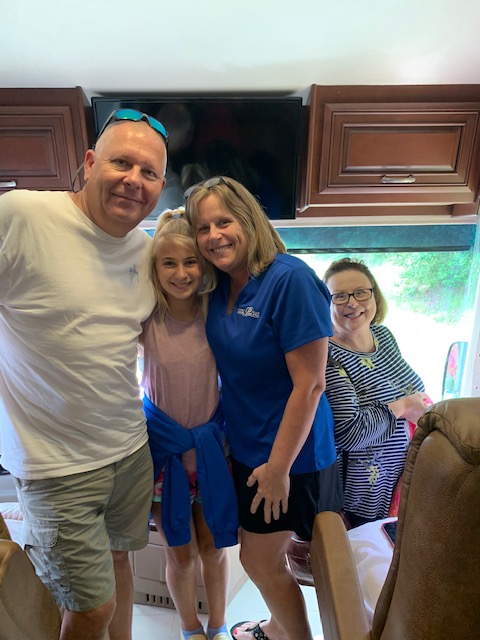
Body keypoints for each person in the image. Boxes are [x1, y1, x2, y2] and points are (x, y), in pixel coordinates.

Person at [0, 108, 169, 640]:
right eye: (122, 163)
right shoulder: (22, 216)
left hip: (129, 448)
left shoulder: (147, 251)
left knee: (120, 566)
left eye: (149, 172)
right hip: (55, 466)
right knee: (91, 609)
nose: (134, 180)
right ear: (91, 163)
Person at [185, 176, 343, 640]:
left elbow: (310, 385)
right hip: (248, 446)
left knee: (258, 560)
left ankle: (295, 637)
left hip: (292, 455)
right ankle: (277, 627)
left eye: (224, 222)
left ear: (248, 219)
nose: (214, 236)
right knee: (265, 557)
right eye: (202, 228)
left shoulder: (290, 279)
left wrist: (278, 469)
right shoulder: (219, 286)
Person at [140, 208, 239, 640]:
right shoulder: (145, 317)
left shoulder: (217, 312)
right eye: (169, 263)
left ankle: (218, 626)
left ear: (205, 265)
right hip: (164, 458)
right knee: (180, 553)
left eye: (190, 262)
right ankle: (189, 629)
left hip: (214, 453)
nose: (180, 274)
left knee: (214, 548)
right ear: (155, 267)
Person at [323, 257, 431, 529]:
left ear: (374, 296)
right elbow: (350, 433)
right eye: (340, 296)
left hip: (402, 476)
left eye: (361, 292)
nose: (352, 303)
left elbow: (409, 385)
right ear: (325, 304)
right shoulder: (327, 354)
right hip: (362, 494)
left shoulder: (383, 336)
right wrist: (403, 407)